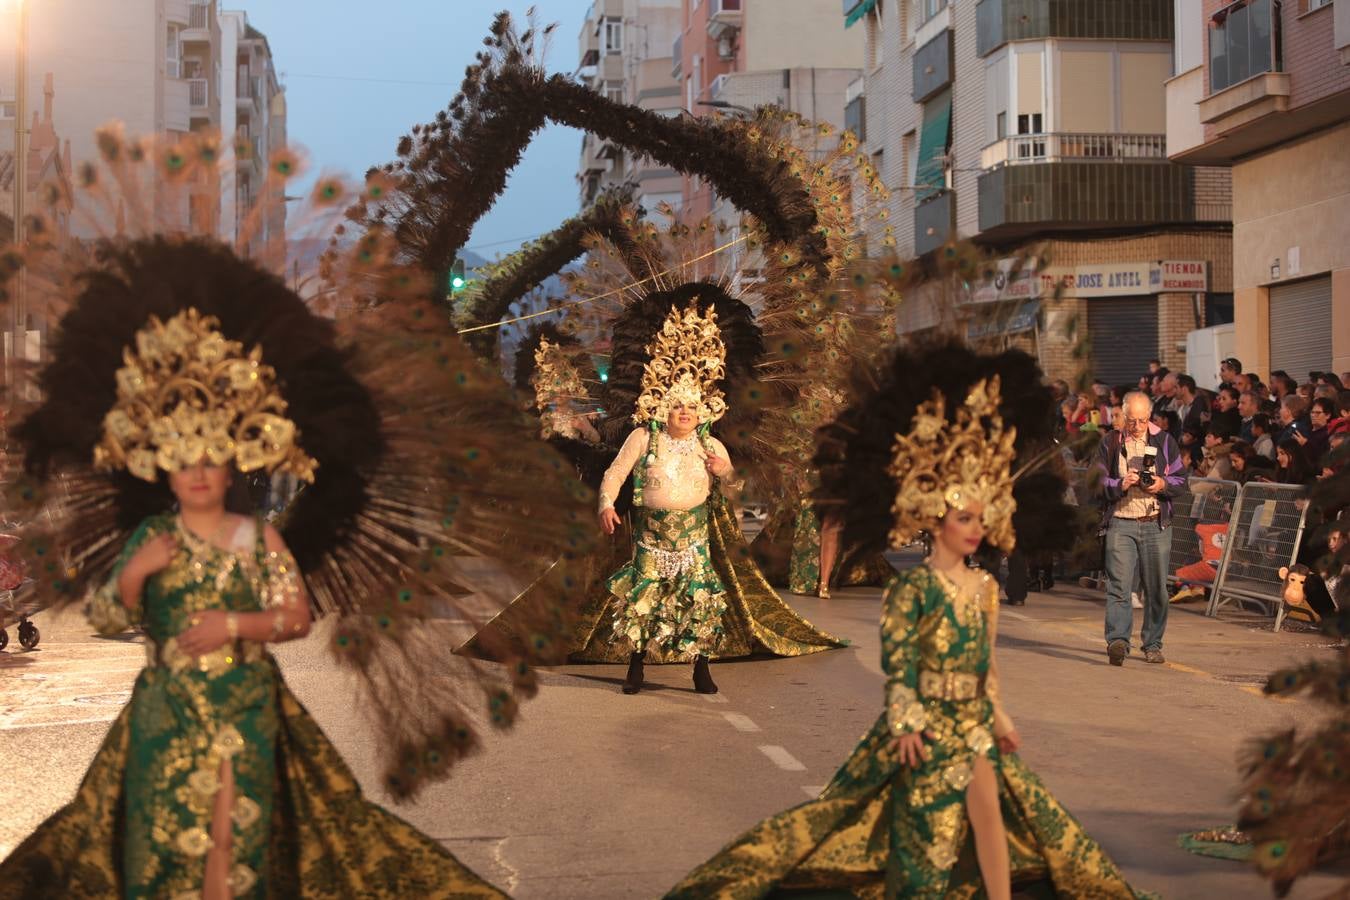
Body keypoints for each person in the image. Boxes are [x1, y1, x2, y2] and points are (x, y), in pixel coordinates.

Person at [0, 240, 547, 898]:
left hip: (245, 705)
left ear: (231, 466)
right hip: (164, 709)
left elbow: (294, 617)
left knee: (234, 840)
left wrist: (232, 624)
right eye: (184, 462)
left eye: (211, 461)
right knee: (157, 834)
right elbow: (110, 615)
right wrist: (137, 572)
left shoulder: (258, 541)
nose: (198, 474)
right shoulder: (150, 538)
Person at [665, 368, 1146, 900]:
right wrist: (908, 724)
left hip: (974, 724)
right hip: (922, 726)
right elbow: (900, 666)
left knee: (994, 819)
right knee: (918, 833)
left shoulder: (985, 588)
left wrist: (1000, 718)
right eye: (963, 519)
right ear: (936, 523)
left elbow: (984, 664)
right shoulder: (912, 590)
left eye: (980, 519)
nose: (975, 530)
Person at [1095, 391, 1187, 666]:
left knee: (1157, 589)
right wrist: (1120, 483)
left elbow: (1181, 480)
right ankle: (1118, 641)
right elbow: (1096, 480)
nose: (1137, 426)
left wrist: (1160, 484)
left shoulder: (1165, 441)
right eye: (1131, 420)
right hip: (1120, 521)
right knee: (1119, 587)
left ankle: (1152, 643)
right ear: (1123, 416)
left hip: (1155, 523)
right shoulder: (1110, 442)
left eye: (1142, 420)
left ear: (1150, 417)